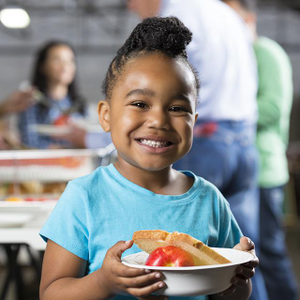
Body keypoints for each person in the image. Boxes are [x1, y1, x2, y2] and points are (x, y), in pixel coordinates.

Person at [39, 17, 258, 300]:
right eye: (140, 104)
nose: (158, 120)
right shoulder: (83, 197)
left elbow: (228, 294)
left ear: (194, 121)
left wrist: (237, 278)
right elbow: (50, 293)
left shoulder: (210, 200)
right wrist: (103, 283)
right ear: (106, 115)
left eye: (177, 108)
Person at [127, 1, 267, 300]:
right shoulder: (227, 13)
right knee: (244, 258)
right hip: (243, 142)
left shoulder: (176, 15)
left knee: (181, 259)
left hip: (207, 141)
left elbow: (162, 83)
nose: (133, 8)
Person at [222, 1, 299, 299]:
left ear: (250, 18)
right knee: (251, 252)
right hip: (248, 165)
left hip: (265, 168)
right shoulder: (240, 56)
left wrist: (226, 113)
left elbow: (272, 108)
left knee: (269, 250)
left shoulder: (265, 52)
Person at [18, 40, 87, 149]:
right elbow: (29, 142)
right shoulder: (31, 103)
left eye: (70, 60)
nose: (65, 66)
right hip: (44, 164)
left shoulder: (78, 103)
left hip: (78, 164)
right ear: (43, 66)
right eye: (57, 60)